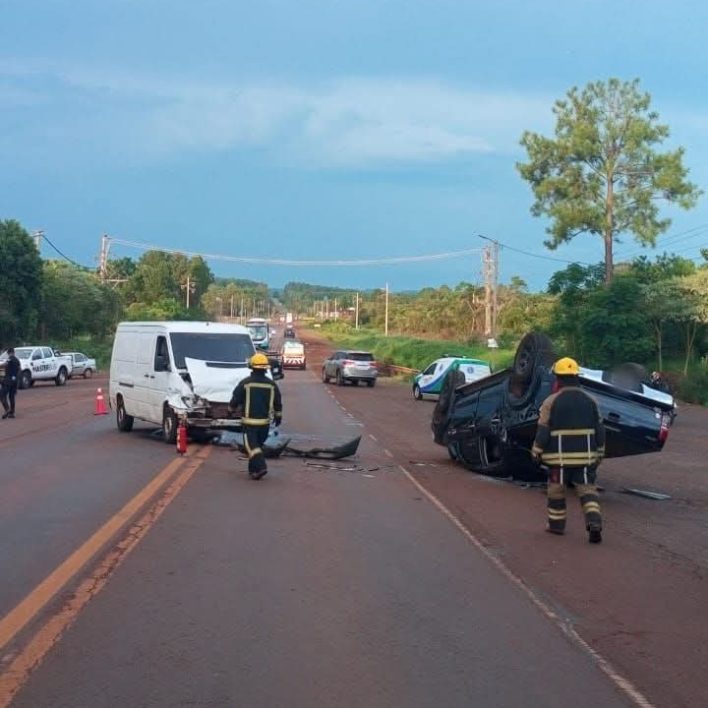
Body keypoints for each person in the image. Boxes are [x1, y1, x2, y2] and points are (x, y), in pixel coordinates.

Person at [531, 357, 605, 543]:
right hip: (585, 458)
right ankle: (594, 522)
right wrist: (600, 452)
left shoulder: (550, 402)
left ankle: (556, 526)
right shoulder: (592, 401)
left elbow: (543, 430)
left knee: (556, 491)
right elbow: (600, 429)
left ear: (558, 378)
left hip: (559, 461)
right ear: (577, 377)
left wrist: (536, 451)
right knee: (588, 491)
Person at [229, 352, 283, 480]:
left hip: (250, 424)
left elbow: (236, 398)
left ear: (251, 367)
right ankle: (253, 470)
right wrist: (278, 416)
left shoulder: (246, 383)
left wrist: (231, 410)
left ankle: (261, 467)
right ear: (266, 368)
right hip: (264, 424)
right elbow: (278, 403)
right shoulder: (272, 385)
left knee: (252, 447)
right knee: (257, 445)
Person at [1, 347, 21, 419]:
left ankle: (7, 409)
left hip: (7, 381)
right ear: (14, 352)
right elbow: (19, 370)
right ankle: (12, 413)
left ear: (8, 353)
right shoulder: (17, 360)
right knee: (11, 397)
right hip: (15, 381)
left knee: (2, 395)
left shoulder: (10, 359)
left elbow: (5, 364)